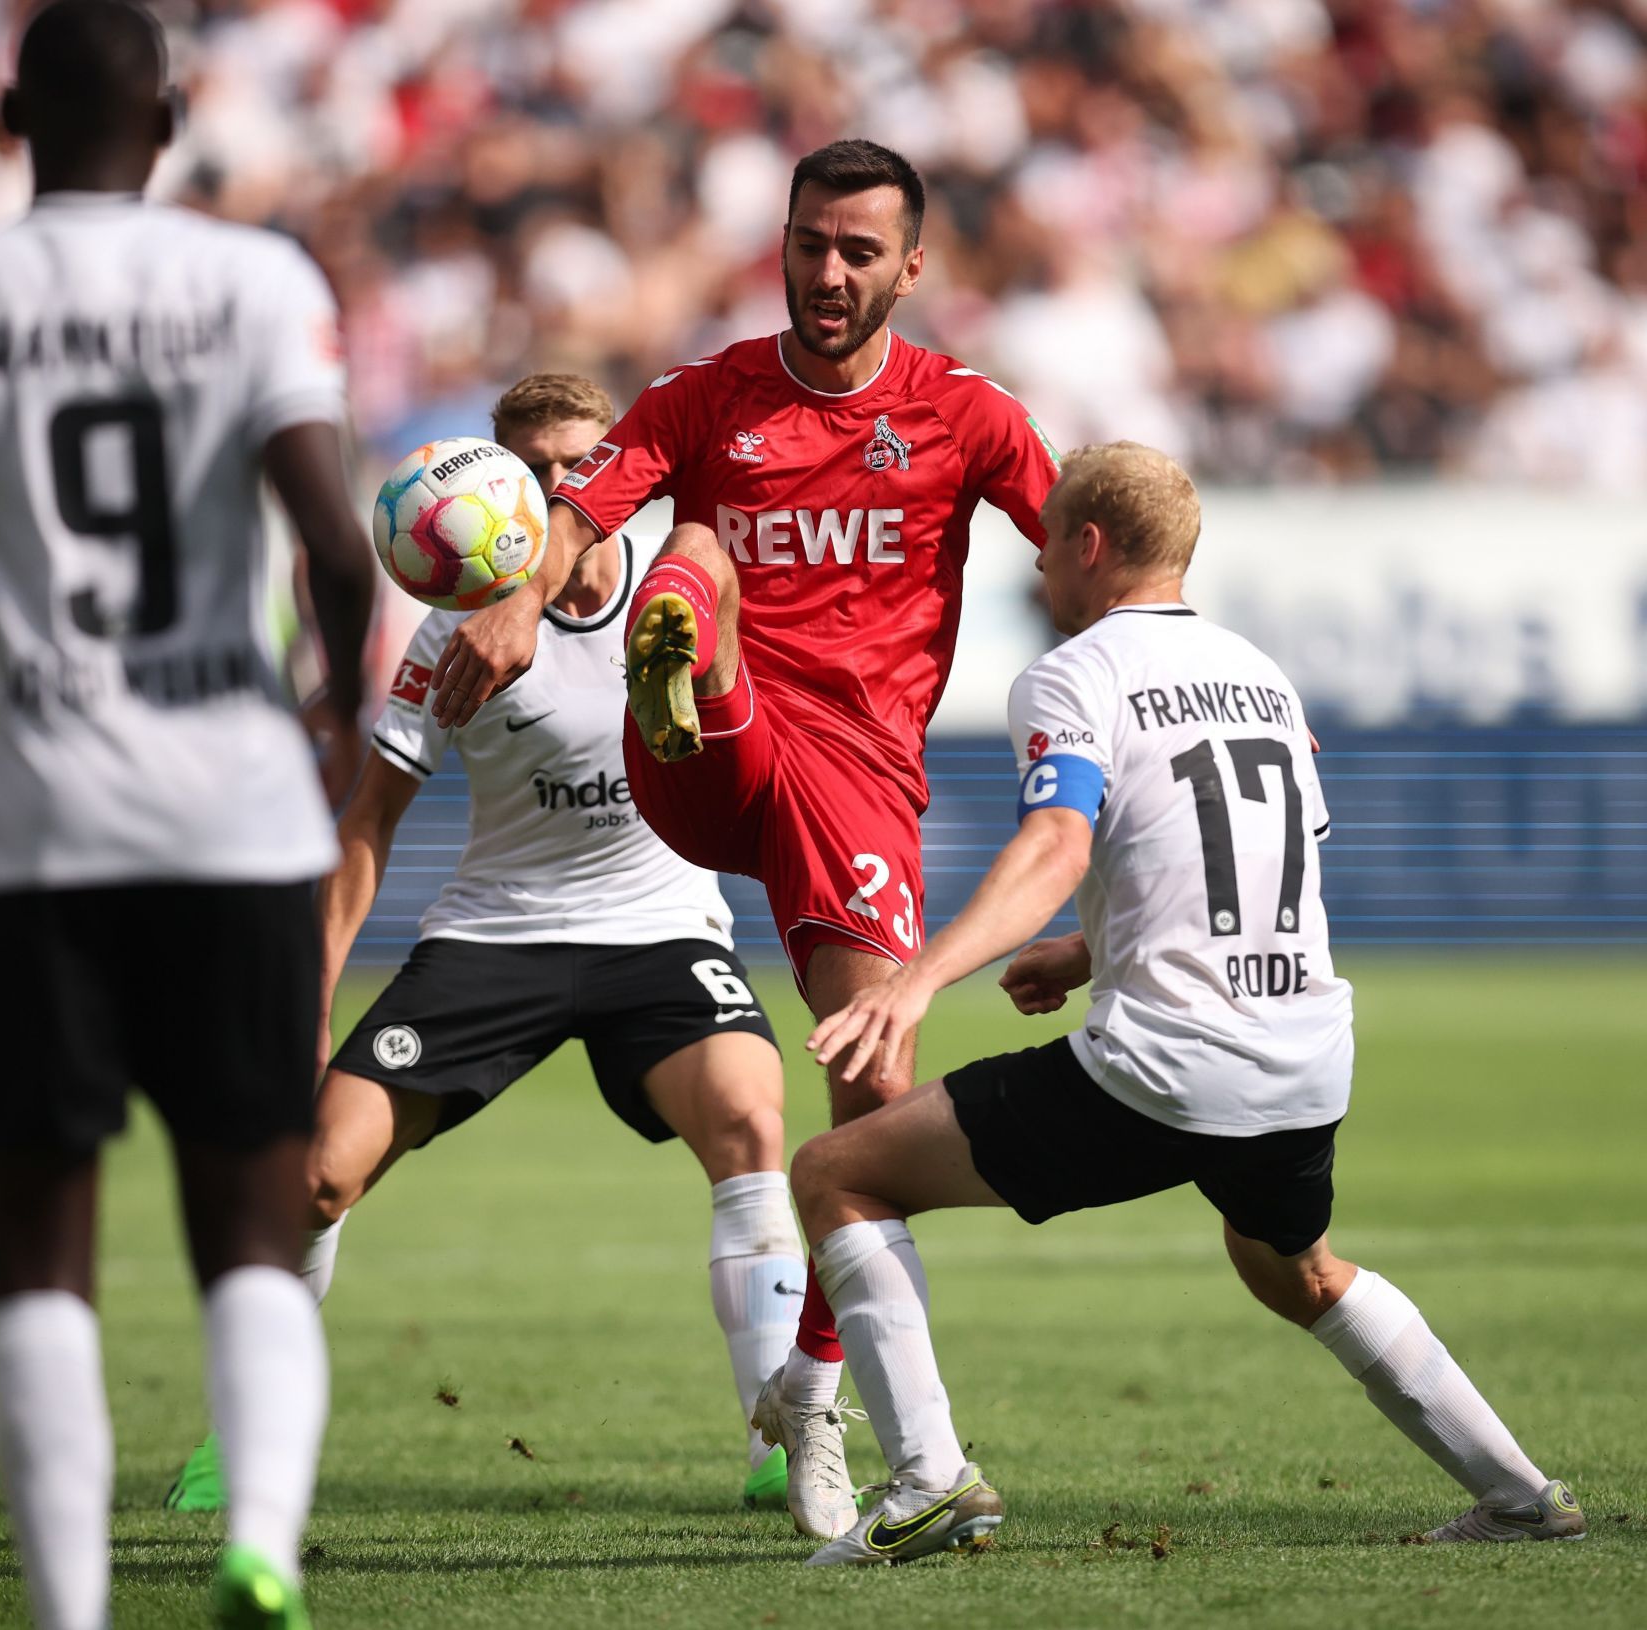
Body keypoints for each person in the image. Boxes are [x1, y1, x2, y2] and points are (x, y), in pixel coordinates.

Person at [0, 4, 376, 1625]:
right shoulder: (255, 282)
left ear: (6, 112)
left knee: (38, 1258)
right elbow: (334, 543)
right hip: (234, 816)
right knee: (252, 1215)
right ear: (171, 120)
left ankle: (70, 1613)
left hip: (32, 824)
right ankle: (257, 1534)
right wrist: (337, 704)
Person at [418, 138, 1061, 1538]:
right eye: (809, 242)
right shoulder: (710, 397)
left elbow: (1076, 542)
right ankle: (930, 1466)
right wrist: (522, 601)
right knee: (693, 551)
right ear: (780, 239)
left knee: (868, 1125)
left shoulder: (964, 415)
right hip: (712, 757)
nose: (827, 273)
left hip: (858, 788)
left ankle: (810, 1389)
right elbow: (585, 501)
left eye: (857, 251)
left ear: (910, 266)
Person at [788, 442, 1583, 1565]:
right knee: (1288, 1265)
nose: (1039, 564)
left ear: (1090, 546)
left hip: (1169, 1064)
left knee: (837, 1172)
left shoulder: (1073, 672)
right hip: (1306, 1052)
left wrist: (917, 978)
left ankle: (928, 1480)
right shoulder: (1262, 672)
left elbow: (1059, 839)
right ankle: (1518, 1495)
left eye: (1046, 538)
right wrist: (1085, 951)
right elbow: (1277, 851)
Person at [163, 373, 802, 1516]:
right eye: (534, 472)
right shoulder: (453, 636)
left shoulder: (685, 588)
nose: (561, 488)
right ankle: (243, 1435)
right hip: (498, 933)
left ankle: (781, 1439)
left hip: (660, 927)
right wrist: (307, 1007)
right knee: (315, 1175)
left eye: (579, 465)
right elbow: (365, 827)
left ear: (618, 469)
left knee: (755, 1116)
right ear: (497, 487)